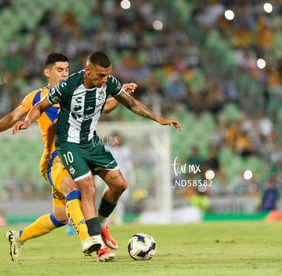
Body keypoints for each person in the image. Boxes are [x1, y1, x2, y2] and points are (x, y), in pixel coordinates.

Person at [13, 51, 182, 260]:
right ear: (88, 71)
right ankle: (96, 243)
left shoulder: (107, 82)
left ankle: (100, 223)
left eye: (107, 75)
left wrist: (159, 118)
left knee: (119, 184)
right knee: (87, 187)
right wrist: (27, 121)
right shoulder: (69, 85)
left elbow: (130, 103)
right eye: (101, 75)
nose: (105, 79)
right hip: (68, 145)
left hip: (91, 143)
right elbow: (40, 106)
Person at [0, 53, 132, 262]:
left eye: (67, 70)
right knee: (75, 187)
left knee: (61, 216)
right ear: (47, 72)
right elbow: (15, 115)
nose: (64, 73)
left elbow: (104, 107)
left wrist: (120, 94)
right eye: (59, 70)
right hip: (55, 160)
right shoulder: (37, 97)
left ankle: (17, 237)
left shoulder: (76, 90)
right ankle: (92, 243)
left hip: (78, 153)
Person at [105, 131, 135, 225]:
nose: (115, 140)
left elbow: (129, 165)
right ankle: (106, 218)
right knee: (107, 198)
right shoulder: (107, 149)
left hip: (122, 176)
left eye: (117, 138)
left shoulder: (125, 150)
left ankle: (119, 218)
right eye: (114, 138)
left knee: (121, 198)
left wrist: (132, 176)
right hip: (108, 177)